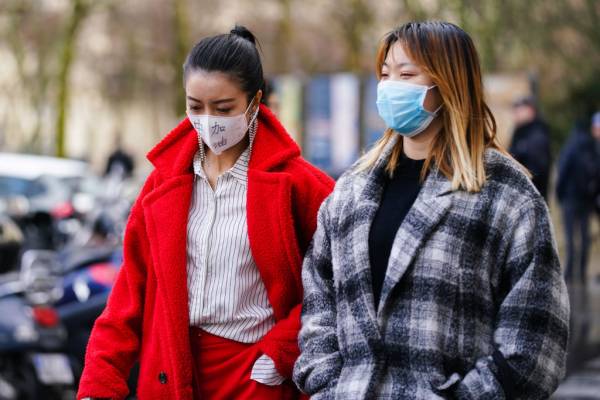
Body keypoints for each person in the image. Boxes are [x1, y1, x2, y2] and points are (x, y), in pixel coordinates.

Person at [294, 21, 569, 399]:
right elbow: (318, 301)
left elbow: (536, 345)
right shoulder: (351, 192)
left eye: (406, 74)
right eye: (385, 74)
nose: (390, 87)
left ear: (448, 84)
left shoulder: (505, 195)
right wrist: (328, 386)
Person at [77, 26, 334, 400]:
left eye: (223, 108)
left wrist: (283, 348)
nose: (208, 120)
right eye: (195, 106)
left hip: (257, 376)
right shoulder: (162, 185)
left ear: (255, 100)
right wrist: (99, 385)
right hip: (171, 369)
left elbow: (337, 286)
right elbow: (128, 296)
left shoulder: (300, 185)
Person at [556, 114, 600, 284]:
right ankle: (581, 271)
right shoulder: (591, 148)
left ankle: (569, 272)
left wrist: (560, 194)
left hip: (570, 198)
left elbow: (563, 170)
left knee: (570, 236)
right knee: (584, 235)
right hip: (586, 199)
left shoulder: (571, 146)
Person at [509, 96, 552, 200]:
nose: (517, 113)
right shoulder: (520, 134)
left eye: (520, 110)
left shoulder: (537, 136)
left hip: (532, 198)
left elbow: (537, 171)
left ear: (531, 111)